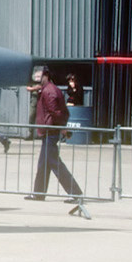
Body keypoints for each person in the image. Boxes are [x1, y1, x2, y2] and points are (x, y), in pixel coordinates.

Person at [26, 67, 85, 212]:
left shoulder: (49, 91)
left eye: (40, 76)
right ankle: (39, 193)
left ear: (46, 76)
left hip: (50, 130)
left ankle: (75, 193)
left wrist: (61, 128)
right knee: (43, 163)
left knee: (54, 163)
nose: (37, 78)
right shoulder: (49, 89)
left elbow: (56, 112)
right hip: (49, 130)